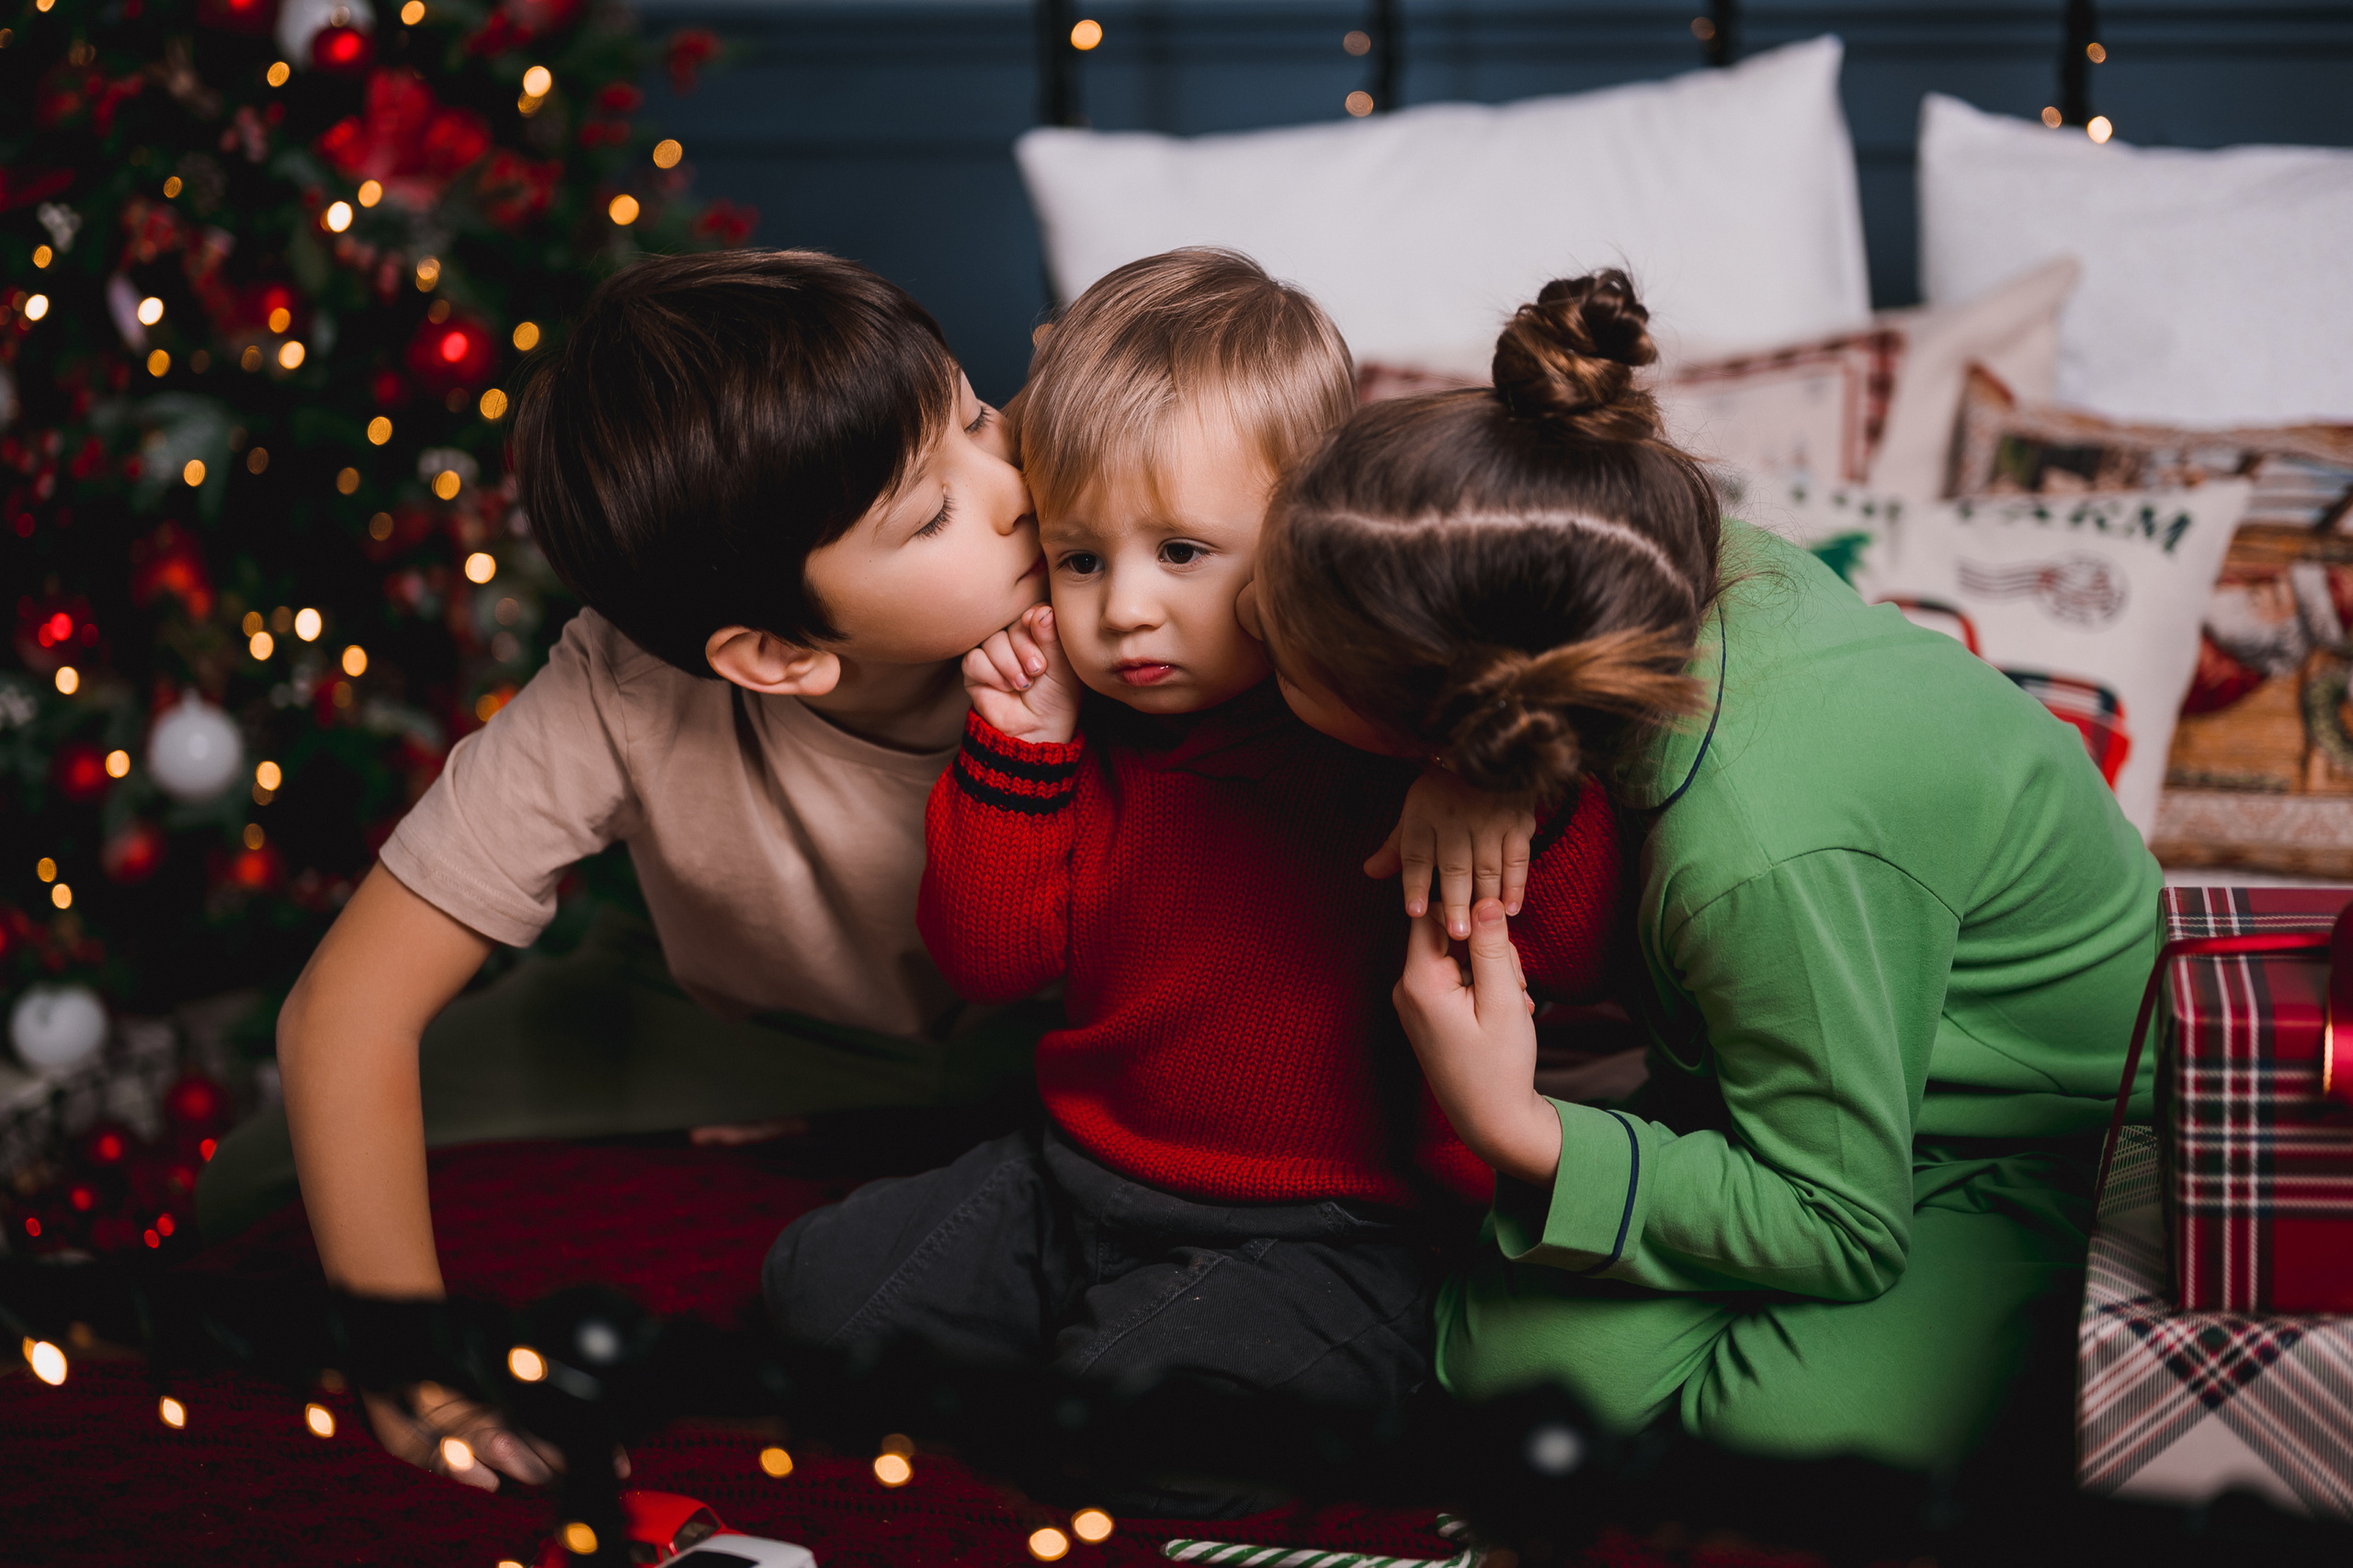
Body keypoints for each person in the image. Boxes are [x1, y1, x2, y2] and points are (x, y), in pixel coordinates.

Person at [1250, 268, 2160, 1470]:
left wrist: (1516, 1127)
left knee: (1770, 1445)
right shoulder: (1646, 554)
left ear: (1465, 704)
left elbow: (1840, 1221)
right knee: (1504, 1384)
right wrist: (1472, 772)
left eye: (1288, 654)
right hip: (1786, 1066)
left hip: (2020, 1131)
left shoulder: (1759, 849)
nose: (1248, 633)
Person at [201, 248, 1056, 1490]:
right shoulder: (623, 687)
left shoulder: (1099, 546)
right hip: (733, 1023)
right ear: (772, 653)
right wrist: (412, 1368)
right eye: (929, 514)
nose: (1014, 484)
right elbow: (345, 1011)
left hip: (1059, 1031)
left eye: (978, 413)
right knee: (254, 1177)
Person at [761, 249, 1625, 1436]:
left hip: (1342, 1218)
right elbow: (994, 965)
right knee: (818, 1295)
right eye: (1078, 557)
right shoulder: (1080, 726)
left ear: (1312, 533)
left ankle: (1291, 1350)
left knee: (1150, 1410)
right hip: (1081, 1171)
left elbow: (1580, 956)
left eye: (1181, 552)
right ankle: (1120, 1334)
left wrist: (1505, 779)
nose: (1122, 610)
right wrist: (1021, 749)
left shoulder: (1389, 733)